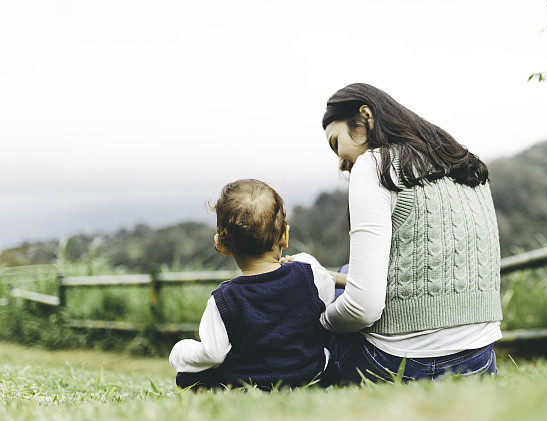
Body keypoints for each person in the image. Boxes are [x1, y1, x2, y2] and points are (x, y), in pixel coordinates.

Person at [316, 83, 503, 383]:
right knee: (346, 273)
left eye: (336, 143)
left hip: (400, 367)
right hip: (479, 362)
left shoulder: (376, 165)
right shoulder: (467, 166)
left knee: (333, 296)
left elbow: (362, 309)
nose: (339, 160)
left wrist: (320, 321)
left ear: (365, 118)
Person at [168, 179, 336, 390]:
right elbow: (328, 287)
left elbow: (213, 353)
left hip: (250, 385)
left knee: (187, 376)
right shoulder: (309, 275)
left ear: (220, 244)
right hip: (311, 379)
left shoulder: (223, 299)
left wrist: (180, 352)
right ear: (284, 236)